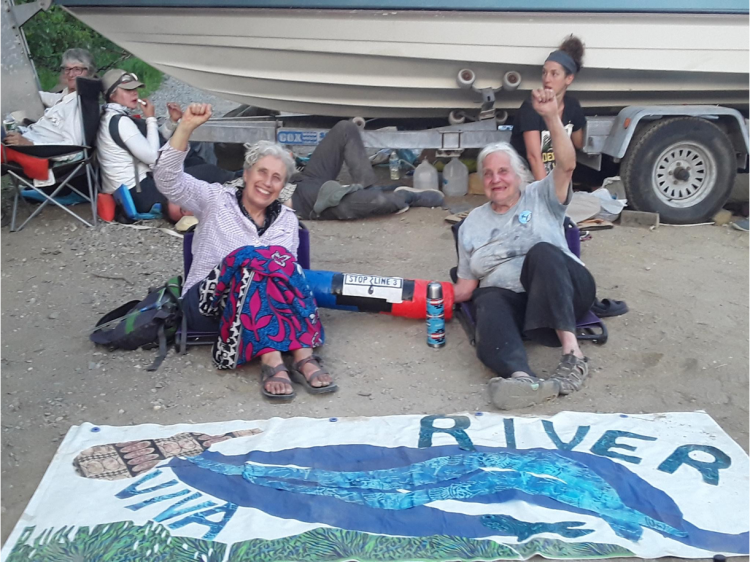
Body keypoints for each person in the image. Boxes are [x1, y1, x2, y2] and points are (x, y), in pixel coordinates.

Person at [153, 103, 336, 401]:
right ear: (247, 173)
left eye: (276, 178)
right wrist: (185, 127)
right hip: (206, 305)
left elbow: (284, 280)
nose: (267, 182)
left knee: (275, 265)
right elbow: (167, 180)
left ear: (282, 186)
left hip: (265, 305)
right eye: (262, 172)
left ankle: (302, 356)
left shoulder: (287, 221)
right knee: (254, 262)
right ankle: (273, 361)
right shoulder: (215, 199)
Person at [454, 88, 596, 411]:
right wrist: (424, 298)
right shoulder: (471, 224)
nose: (496, 179)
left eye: (503, 171)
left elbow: (567, 164)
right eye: (488, 174)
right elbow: (465, 287)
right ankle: (523, 379)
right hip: (521, 308)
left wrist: (550, 117)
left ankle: (573, 356)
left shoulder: (541, 194)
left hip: (568, 291)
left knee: (542, 252)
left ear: (519, 176)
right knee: (485, 300)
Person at [97, 69, 234, 222]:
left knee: (192, 161)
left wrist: (171, 122)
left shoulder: (112, 117)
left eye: (135, 89)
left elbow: (155, 142)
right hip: (140, 193)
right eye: (128, 90)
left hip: (132, 192)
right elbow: (153, 156)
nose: (134, 93)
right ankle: (237, 181)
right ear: (112, 95)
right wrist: (150, 118)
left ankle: (229, 186)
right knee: (209, 172)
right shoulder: (121, 122)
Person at [289, 120, 443, 220]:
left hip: (300, 179)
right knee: (375, 202)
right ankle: (406, 197)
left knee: (345, 128)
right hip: (300, 201)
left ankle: (368, 188)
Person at [510, 36, 586, 181]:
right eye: (544, 72)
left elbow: (578, 144)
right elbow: (534, 157)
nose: (547, 79)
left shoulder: (572, 106)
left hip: (555, 177)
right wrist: (546, 195)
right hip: (526, 177)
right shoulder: (531, 107)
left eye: (554, 74)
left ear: (569, 79)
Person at [1, 48, 95, 147]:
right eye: (67, 69)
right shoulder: (66, 97)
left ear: (89, 72)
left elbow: (71, 147)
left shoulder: (79, 106)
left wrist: (29, 144)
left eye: (77, 69)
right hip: (26, 133)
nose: (71, 74)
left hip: (31, 148)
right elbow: (46, 97)